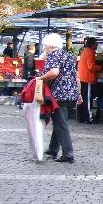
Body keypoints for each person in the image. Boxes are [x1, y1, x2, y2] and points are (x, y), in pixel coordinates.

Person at [40, 33, 82, 164]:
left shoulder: (53, 55)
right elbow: (76, 76)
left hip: (58, 94)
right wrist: (78, 93)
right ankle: (53, 149)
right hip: (70, 93)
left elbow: (54, 72)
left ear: (51, 46)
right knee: (59, 121)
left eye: (46, 46)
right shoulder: (68, 55)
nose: (45, 48)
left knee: (60, 123)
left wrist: (40, 78)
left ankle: (68, 153)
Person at [77, 37, 102, 124]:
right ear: (92, 44)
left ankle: (81, 117)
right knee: (87, 99)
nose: (97, 45)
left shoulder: (85, 51)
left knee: (82, 98)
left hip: (82, 77)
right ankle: (88, 118)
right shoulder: (90, 52)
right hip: (87, 78)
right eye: (96, 43)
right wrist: (100, 68)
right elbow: (91, 66)